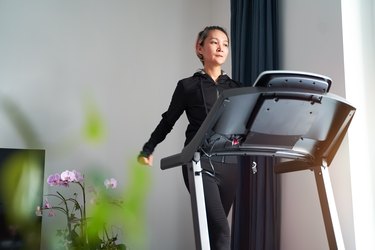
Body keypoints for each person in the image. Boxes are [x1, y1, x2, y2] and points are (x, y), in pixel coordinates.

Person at [138, 26, 241, 250]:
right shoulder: (187, 86)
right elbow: (168, 120)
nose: (221, 48)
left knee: (214, 233)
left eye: (225, 44)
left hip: (230, 165)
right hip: (199, 162)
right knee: (223, 231)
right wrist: (148, 149)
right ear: (200, 47)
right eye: (214, 42)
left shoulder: (236, 88)